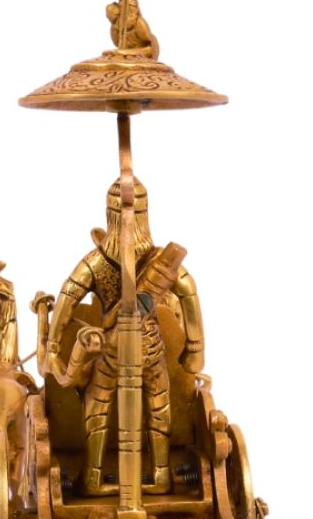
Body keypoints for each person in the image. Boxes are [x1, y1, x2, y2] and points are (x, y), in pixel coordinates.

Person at [45, 177, 205, 495]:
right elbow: (188, 292)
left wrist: (52, 347)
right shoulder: (161, 260)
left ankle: (93, 478)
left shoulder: (95, 262)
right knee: (159, 407)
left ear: (110, 215)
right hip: (149, 350)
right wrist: (195, 347)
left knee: (98, 406)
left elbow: (67, 296)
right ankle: (160, 476)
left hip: (112, 351)